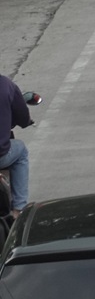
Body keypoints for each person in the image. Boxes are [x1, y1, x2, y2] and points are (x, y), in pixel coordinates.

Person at [0, 75, 34, 219]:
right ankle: (18, 210)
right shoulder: (5, 84)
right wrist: (26, 122)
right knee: (21, 151)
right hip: (2, 155)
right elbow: (22, 116)